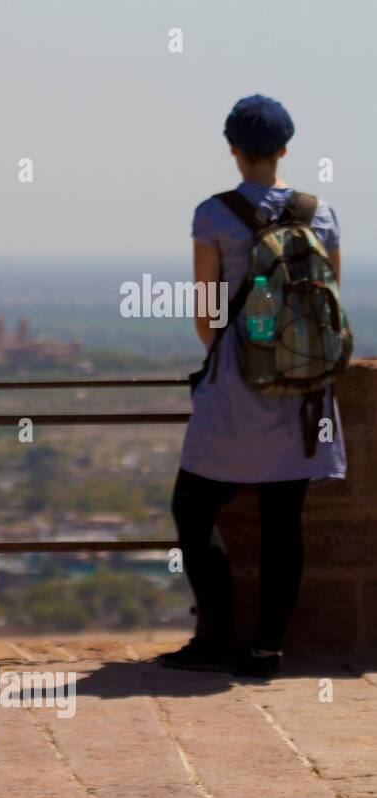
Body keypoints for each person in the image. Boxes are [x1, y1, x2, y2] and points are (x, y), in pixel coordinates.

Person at [159, 94, 344, 679]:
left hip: (237, 388)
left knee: (191, 509)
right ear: (285, 147)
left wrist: (233, 361)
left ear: (234, 150)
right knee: (282, 522)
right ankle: (267, 650)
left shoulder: (214, 215)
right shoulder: (321, 212)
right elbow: (328, 307)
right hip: (304, 390)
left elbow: (207, 315)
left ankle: (217, 640)